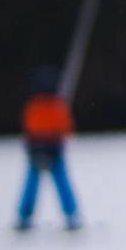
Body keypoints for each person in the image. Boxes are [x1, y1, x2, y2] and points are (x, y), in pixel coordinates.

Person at [15, 68, 81, 233]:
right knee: (61, 183)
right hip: (53, 152)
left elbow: (28, 129)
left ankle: (24, 216)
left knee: (31, 185)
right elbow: (66, 128)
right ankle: (71, 214)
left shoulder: (34, 107)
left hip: (37, 152)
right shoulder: (57, 107)